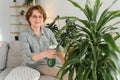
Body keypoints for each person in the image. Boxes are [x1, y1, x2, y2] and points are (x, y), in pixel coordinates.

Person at [19, 5, 65, 79]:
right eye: (34, 16)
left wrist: (64, 63)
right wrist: (45, 53)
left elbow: (58, 48)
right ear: (29, 18)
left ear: (43, 19)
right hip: (38, 65)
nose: (38, 19)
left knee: (73, 71)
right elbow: (27, 56)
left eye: (40, 16)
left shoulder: (48, 32)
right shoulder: (24, 35)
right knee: (66, 75)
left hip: (53, 62)